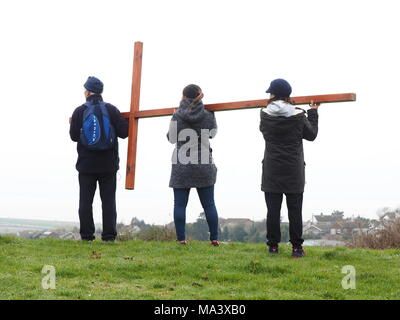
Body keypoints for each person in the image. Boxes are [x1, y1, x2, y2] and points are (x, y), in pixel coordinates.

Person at [259, 78, 319, 257]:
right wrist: (313, 112)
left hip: (271, 168)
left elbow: (263, 130)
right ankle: (297, 248)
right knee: (295, 210)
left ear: (273, 95)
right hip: (293, 169)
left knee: (273, 211)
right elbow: (311, 135)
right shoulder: (299, 115)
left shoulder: (264, 115)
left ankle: (273, 247)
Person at [69, 76, 128, 242]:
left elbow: (73, 136)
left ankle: (87, 236)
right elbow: (124, 133)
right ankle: (109, 236)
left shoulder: (79, 111)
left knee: (85, 202)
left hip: (86, 165)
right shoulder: (111, 109)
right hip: (108, 164)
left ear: (87, 92)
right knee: (108, 201)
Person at [167, 84, 220, 246]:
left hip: (182, 163)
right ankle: (214, 239)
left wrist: (173, 118)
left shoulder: (177, 115)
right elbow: (213, 133)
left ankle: (182, 239)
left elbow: (171, 139)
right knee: (209, 204)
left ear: (183, 96)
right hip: (204, 163)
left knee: (180, 204)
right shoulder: (208, 115)